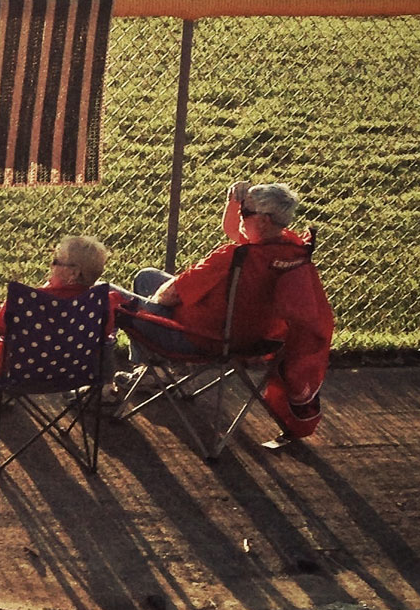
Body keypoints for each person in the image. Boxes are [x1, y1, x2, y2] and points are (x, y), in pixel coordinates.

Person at [116, 181, 335, 435]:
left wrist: (155, 307)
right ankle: (154, 373)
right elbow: (234, 230)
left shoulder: (232, 257)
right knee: (147, 276)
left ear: (264, 220)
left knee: (111, 295)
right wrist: (234, 201)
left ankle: (137, 376)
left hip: (196, 338)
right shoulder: (289, 252)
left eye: (245, 211)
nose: (240, 215)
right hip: (252, 340)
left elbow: (167, 296)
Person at [0, 234, 122, 385]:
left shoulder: (25, 301)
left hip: (20, 375)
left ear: (73, 273)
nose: (51, 266)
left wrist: (1, 314)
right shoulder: (99, 304)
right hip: (74, 373)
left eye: (56, 261)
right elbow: (105, 332)